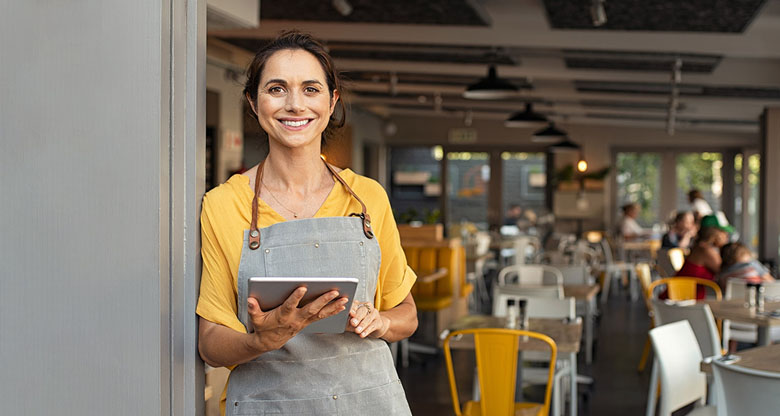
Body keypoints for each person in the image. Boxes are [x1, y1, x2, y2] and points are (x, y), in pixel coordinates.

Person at [196, 31, 417, 416]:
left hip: (368, 403)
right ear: (253, 101)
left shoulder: (367, 198)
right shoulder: (223, 205)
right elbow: (211, 341)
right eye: (277, 89)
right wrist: (262, 339)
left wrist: (379, 322)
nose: (295, 105)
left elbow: (407, 314)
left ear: (331, 102)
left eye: (311, 89)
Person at [675, 215, 732, 299]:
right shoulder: (705, 251)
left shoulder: (699, 247)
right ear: (714, 232)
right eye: (723, 231)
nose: (727, 236)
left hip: (684, 300)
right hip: (678, 303)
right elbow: (728, 272)